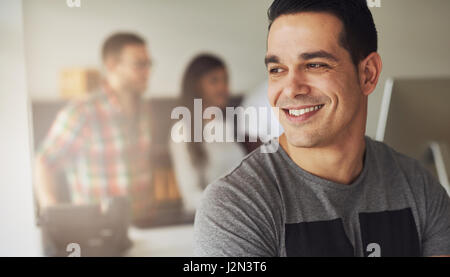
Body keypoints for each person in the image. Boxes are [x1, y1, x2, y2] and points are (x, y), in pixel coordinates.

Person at [194, 0, 450, 257]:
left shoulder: (419, 188)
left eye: (315, 64)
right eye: (277, 69)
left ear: (368, 74)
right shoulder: (235, 206)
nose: (291, 88)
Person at [34, 32, 153, 221]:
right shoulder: (82, 112)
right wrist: (53, 217)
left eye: (149, 64)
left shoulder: (144, 108)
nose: (147, 71)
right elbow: (44, 162)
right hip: (97, 229)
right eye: (139, 64)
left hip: (144, 224)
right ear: (112, 65)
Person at [169, 54, 246, 215]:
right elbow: (191, 197)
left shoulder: (227, 126)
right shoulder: (182, 132)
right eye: (214, 81)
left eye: (225, 80)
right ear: (197, 86)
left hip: (240, 216)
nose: (223, 88)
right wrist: (231, 207)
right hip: (208, 219)